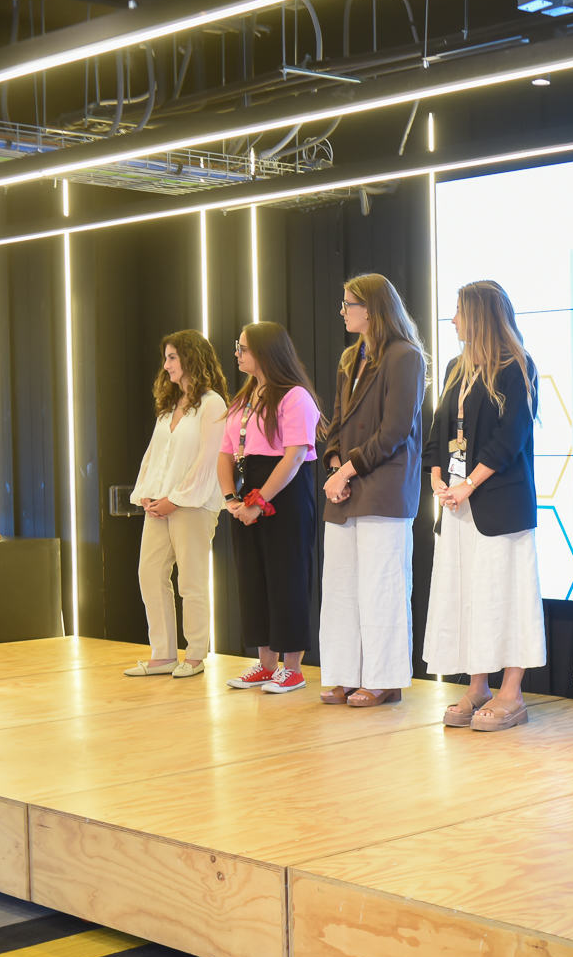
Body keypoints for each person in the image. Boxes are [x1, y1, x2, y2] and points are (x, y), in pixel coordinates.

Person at [424, 280, 546, 730]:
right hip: (458, 504)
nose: (453, 320)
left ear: (478, 315)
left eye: (459, 311)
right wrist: (438, 479)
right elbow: (438, 430)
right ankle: (478, 686)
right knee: (469, 595)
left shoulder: (517, 366)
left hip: (499, 503)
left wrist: (469, 484)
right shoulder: (456, 368)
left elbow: (509, 438)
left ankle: (512, 691)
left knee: (507, 595)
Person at [317, 274, 428, 707]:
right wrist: (334, 467)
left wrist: (345, 471)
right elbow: (337, 422)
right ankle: (344, 674)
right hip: (346, 487)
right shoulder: (351, 356)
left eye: (349, 304)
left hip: (384, 487)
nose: (342, 311)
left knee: (382, 586)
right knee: (340, 586)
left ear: (372, 308)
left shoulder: (406, 356)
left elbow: (394, 432)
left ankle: (383, 679)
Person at [217, 322, 322, 694]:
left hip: (284, 494)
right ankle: (265, 665)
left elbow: (294, 458)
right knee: (253, 578)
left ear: (264, 352)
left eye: (243, 347)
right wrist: (232, 499)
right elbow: (226, 454)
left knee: (286, 577)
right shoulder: (243, 399)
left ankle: (292, 669)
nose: (237, 353)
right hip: (248, 493)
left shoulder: (295, 397)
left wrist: (259, 503)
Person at [126, 330, 229, 679]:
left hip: (193, 505)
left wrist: (176, 498)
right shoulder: (170, 405)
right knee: (149, 573)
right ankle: (163, 655)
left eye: (172, 357)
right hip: (159, 504)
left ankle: (196, 655)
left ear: (190, 359)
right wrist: (147, 492)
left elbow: (208, 460)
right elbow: (154, 455)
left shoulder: (212, 403)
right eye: (166, 358)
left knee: (191, 581)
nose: (166, 365)